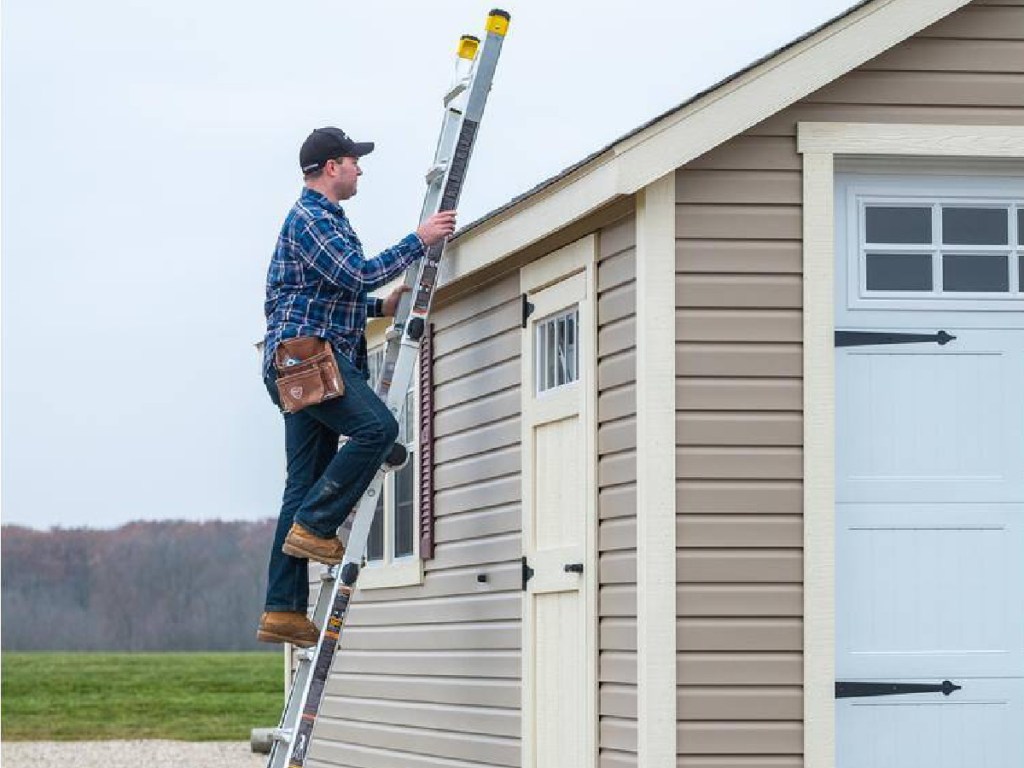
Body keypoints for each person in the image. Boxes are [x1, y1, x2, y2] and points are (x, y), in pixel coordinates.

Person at [256, 126, 456, 647]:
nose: (360, 169)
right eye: (352, 161)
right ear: (330, 168)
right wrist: (421, 240)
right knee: (378, 431)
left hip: (298, 361)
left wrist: (378, 309)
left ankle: (282, 609)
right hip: (309, 360)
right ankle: (317, 526)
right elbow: (354, 273)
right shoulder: (312, 218)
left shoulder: (319, 220)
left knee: (300, 485)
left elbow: (319, 292)